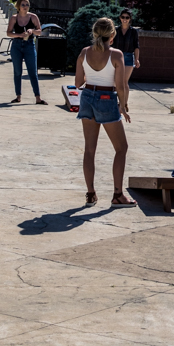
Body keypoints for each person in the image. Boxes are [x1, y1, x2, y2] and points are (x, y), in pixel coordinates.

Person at [75, 16, 133, 208]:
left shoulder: (84, 52)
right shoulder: (116, 55)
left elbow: (77, 83)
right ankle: (118, 195)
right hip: (106, 98)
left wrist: (91, 75)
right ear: (112, 34)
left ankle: (90, 194)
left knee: (89, 149)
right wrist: (123, 106)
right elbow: (121, 85)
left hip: (87, 98)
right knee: (121, 148)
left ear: (94, 33)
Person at [6, 0, 47, 105]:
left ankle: (38, 97)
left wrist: (32, 30)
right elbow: (9, 33)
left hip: (29, 45)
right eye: (23, 5)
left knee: (32, 71)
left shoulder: (33, 17)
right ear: (18, 6)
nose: (25, 7)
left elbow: (39, 31)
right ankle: (18, 96)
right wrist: (19, 35)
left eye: (27, 5)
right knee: (17, 71)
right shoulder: (14, 18)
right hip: (17, 45)